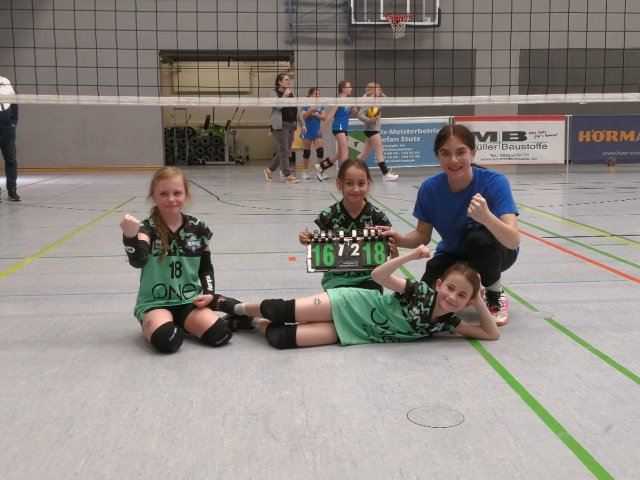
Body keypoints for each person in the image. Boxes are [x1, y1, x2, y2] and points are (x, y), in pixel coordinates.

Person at [219, 245, 500, 349]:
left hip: (356, 331)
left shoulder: (448, 323)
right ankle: (236, 307)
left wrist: (478, 300)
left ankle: (250, 323)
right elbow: (379, 276)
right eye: (450, 288)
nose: (453, 297)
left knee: (282, 338)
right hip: (351, 302)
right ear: (439, 284)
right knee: (282, 311)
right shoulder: (420, 292)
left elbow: (490, 334)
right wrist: (411, 255)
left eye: (462, 296)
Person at [385, 124, 520, 326]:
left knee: (478, 239)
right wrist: (400, 239)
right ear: (438, 156)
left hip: (497, 252)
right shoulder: (430, 189)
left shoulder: (494, 182)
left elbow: (513, 240)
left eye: (461, 152)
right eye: (445, 153)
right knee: (426, 303)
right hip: (454, 254)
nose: (453, 160)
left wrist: (486, 218)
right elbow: (422, 235)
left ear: (473, 153)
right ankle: (473, 284)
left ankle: (493, 292)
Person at [119, 167, 247, 354]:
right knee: (167, 340)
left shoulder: (198, 227)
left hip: (188, 301)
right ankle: (164, 323)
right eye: (163, 194)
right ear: (154, 197)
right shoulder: (147, 228)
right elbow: (138, 261)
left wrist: (209, 293)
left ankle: (193, 318)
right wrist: (130, 238)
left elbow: (205, 267)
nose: (171, 199)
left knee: (221, 335)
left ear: (186, 195)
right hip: (155, 303)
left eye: (177, 193)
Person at [299, 158, 394, 293]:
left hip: (370, 280)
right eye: (349, 183)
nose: (355, 189)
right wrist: (306, 239)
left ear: (369, 183)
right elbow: (321, 249)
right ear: (339, 183)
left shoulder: (378, 217)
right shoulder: (328, 216)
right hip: (336, 281)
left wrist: (394, 253)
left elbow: (388, 258)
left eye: (361, 183)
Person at [264, 73, 306, 184]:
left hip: (292, 125)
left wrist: (302, 124)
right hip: (280, 125)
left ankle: (269, 169)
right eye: (286, 80)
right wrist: (286, 95)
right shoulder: (274, 94)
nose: (289, 81)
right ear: (280, 82)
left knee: (285, 151)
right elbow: (278, 106)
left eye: (289, 80)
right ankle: (288, 174)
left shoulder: (292, 93)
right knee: (284, 151)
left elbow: (297, 110)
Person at [315, 80, 358, 181]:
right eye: (349, 87)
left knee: (340, 153)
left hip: (344, 128)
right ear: (343, 89)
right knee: (345, 150)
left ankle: (321, 167)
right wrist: (322, 128)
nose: (351, 89)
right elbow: (331, 115)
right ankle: (344, 175)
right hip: (338, 127)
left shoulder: (349, 100)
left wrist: (353, 106)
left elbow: (354, 111)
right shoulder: (338, 100)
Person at [356, 82, 398, 181]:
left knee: (365, 153)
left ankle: (349, 167)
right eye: (378, 89)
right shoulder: (368, 101)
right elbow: (360, 115)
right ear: (372, 90)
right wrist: (370, 120)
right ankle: (386, 174)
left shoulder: (376, 101)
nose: (380, 90)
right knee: (379, 151)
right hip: (372, 130)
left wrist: (380, 92)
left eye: (380, 89)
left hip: (372, 129)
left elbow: (386, 99)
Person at [0, 75, 20, 202]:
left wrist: (14, 121)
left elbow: (14, 101)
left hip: (7, 128)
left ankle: (12, 190)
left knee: (11, 159)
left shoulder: (5, 81)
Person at [299, 87, 326, 180]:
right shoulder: (306, 104)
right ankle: (305, 172)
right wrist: (311, 110)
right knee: (307, 152)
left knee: (320, 151)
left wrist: (315, 114)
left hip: (316, 130)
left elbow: (324, 117)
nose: (317, 95)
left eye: (318, 94)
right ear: (310, 95)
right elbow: (303, 117)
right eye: (315, 94)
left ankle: (320, 172)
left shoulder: (320, 105)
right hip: (307, 130)